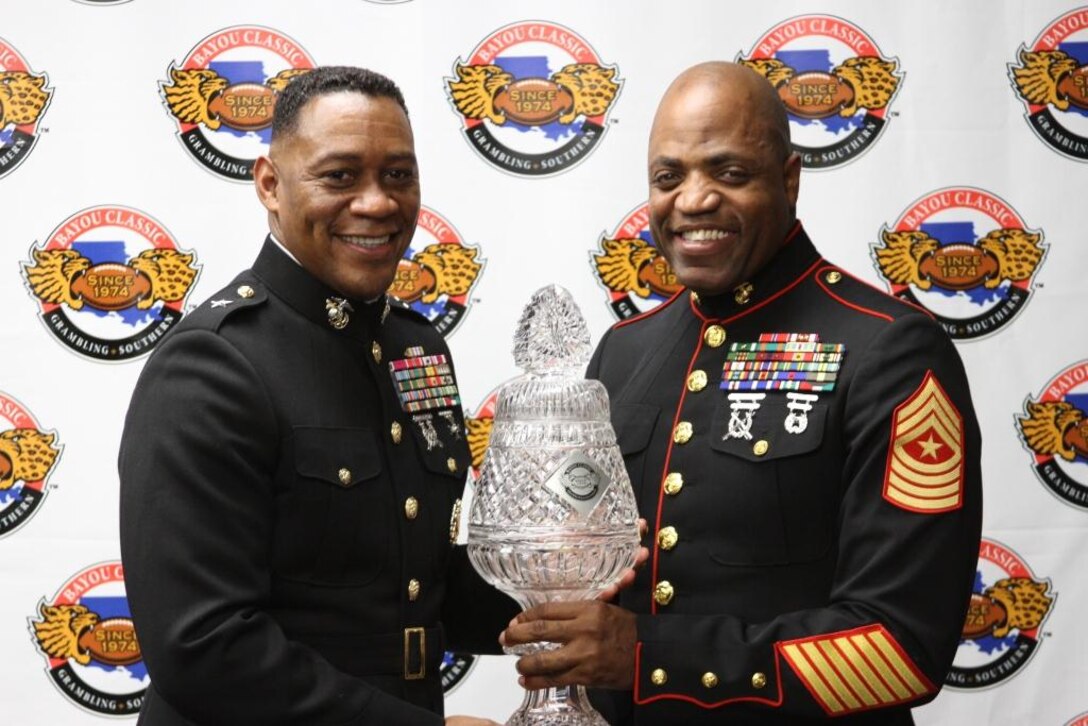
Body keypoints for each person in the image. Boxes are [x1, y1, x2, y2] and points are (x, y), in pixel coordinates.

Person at [501, 61, 982, 724]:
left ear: (788, 180)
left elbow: (900, 647)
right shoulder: (625, 350)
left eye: (728, 172)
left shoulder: (890, 352)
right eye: (668, 177)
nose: (692, 200)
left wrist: (646, 655)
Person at [119, 66, 518, 726]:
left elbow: (406, 584)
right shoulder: (213, 365)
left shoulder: (413, 348)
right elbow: (203, 648)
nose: (377, 203)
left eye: (398, 174)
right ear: (270, 185)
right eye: (340, 176)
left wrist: (559, 592)